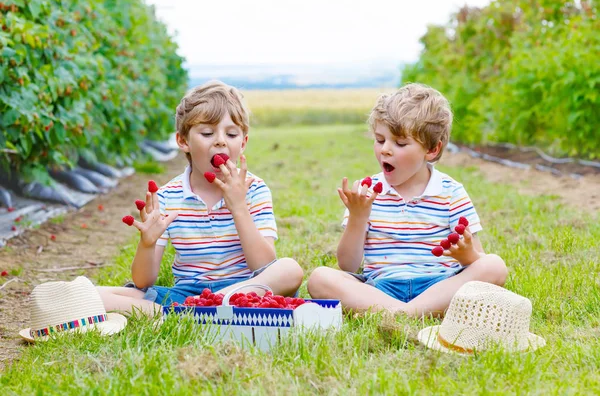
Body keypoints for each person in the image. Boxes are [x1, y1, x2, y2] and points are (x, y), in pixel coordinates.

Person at [98, 80, 303, 315]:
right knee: (96, 294)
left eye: (232, 133)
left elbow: (264, 265)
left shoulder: (254, 189)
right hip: (187, 294)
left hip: (245, 291)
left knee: (289, 269)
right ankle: (192, 310)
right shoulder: (167, 196)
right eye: (207, 132)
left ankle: (195, 309)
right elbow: (144, 281)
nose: (220, 140)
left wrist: (238, 207)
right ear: (183, 141)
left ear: (243, 142)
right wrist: (147, 243)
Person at [307, 83, 507, 318]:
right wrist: (358, 217)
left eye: (400, 143)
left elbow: (478, 259)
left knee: (494, 266)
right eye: (380, 140)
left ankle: (402, 313)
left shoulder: (451, 192)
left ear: (431, 150)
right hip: (381, 288)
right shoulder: (367, 192)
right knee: (320, 278)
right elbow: (348, 265)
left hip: (440, 285)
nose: (386, 150)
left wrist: (467, 256)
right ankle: (411, 312)